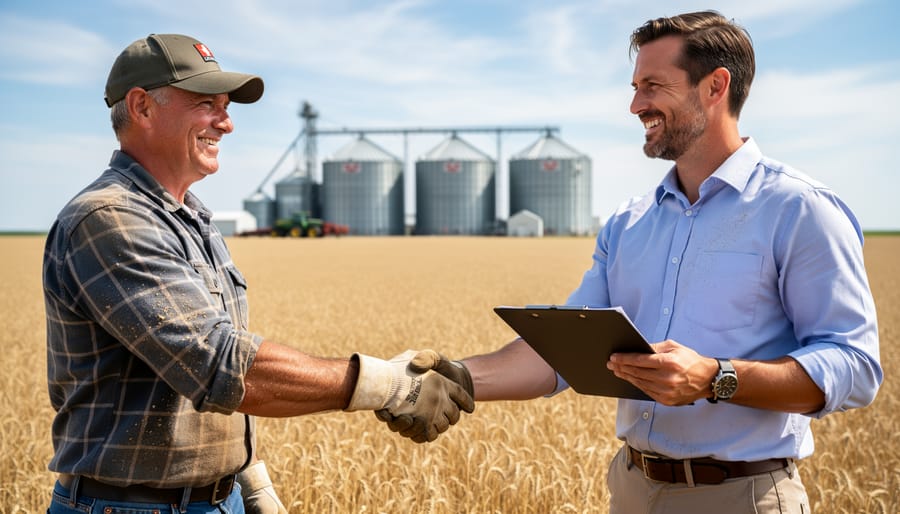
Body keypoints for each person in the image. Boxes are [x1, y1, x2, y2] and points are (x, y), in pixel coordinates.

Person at [382, 11, 883, 514]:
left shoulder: (799, 209)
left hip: (743, 496)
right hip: (631, 488)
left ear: (715, 86)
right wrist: (460, 378)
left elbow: (855, 366)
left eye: (652, 86)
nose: (634, 104)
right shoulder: (629, 223)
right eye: (634, 87)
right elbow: (564, 349)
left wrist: (716, 377)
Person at [42, 33, 474, 514]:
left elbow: (185, 374)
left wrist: (247, 477)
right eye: (207, 104)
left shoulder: (192, 219)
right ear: (142, 107)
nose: (226, 123)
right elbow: (218, 363)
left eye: (226, 107)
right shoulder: (109, 219)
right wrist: (387, 384)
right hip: (130, 507)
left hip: (211, 501)